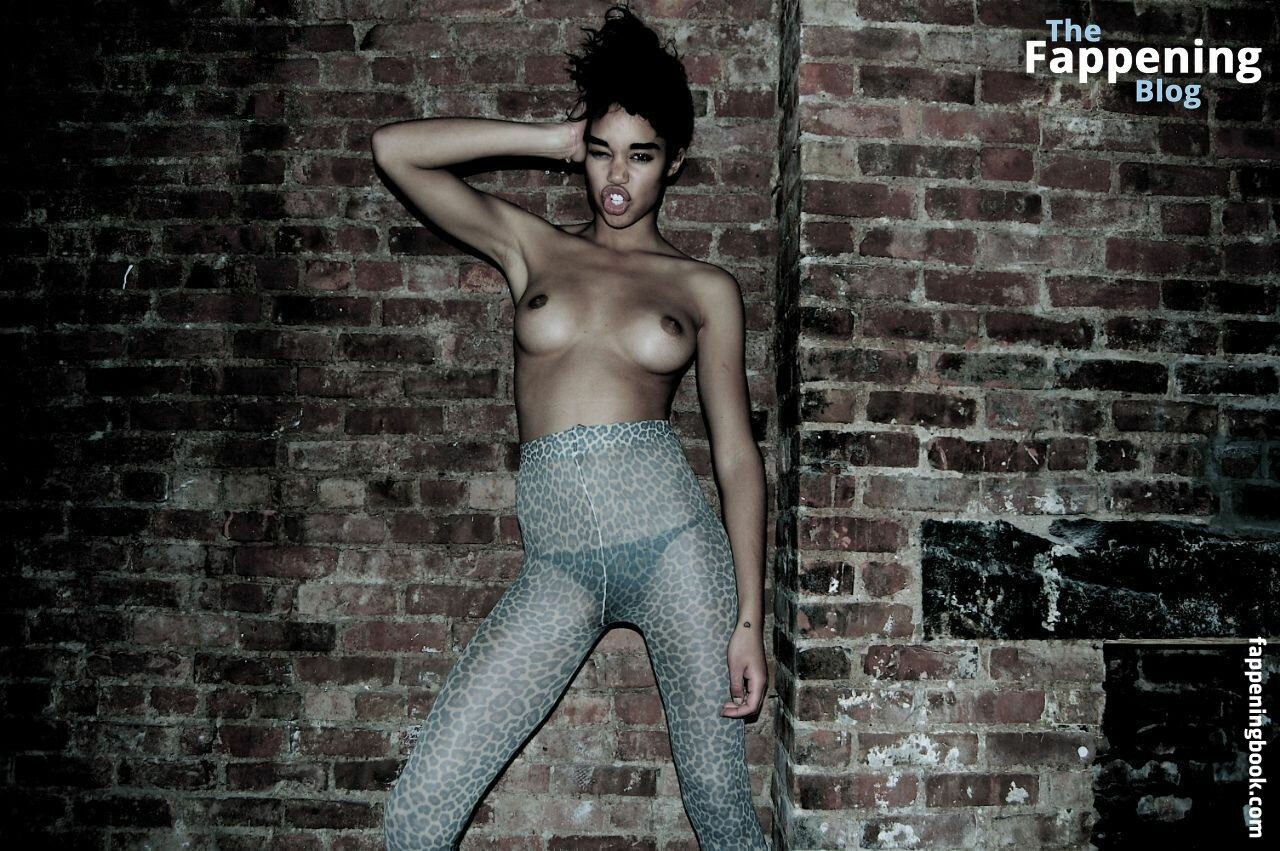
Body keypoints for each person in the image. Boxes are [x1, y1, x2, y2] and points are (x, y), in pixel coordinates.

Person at [371, 4, 769, 848]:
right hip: (559, 564)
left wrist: (749, 619)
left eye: (641, 155)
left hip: (677, 551)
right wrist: (550, 139)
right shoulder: (533, 248)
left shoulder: (705, 288)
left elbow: (736, 457)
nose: (616, 177)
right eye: (600, 151)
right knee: (418, 808)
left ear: (674, 161)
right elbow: (394, 149)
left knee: (720, 806)